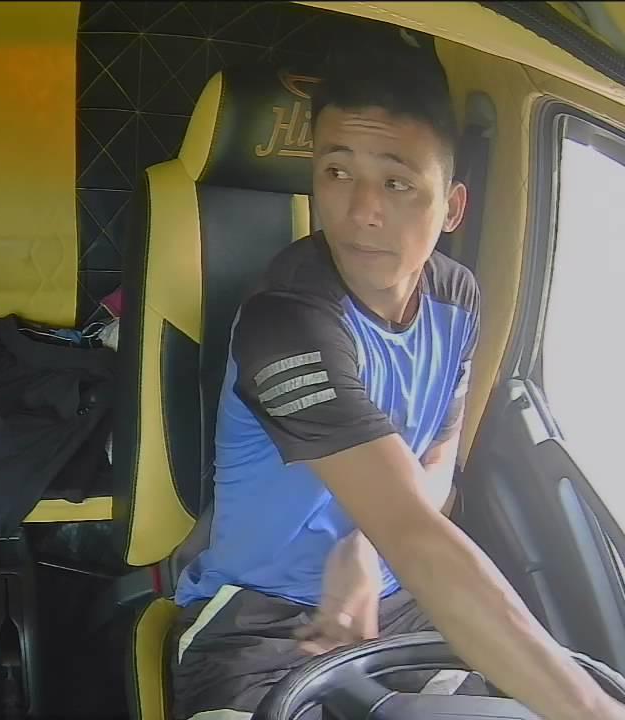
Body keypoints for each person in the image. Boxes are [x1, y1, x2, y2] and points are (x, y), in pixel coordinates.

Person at [168, 42, 625, 720]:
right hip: (260, 626)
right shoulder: (285, 322)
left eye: (397, 183)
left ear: (453, 207)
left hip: (403, 606)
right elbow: (414, 529)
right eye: (336, 171)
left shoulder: (458, 298)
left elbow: (440, 461)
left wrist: (367, 540)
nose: (361, 211)